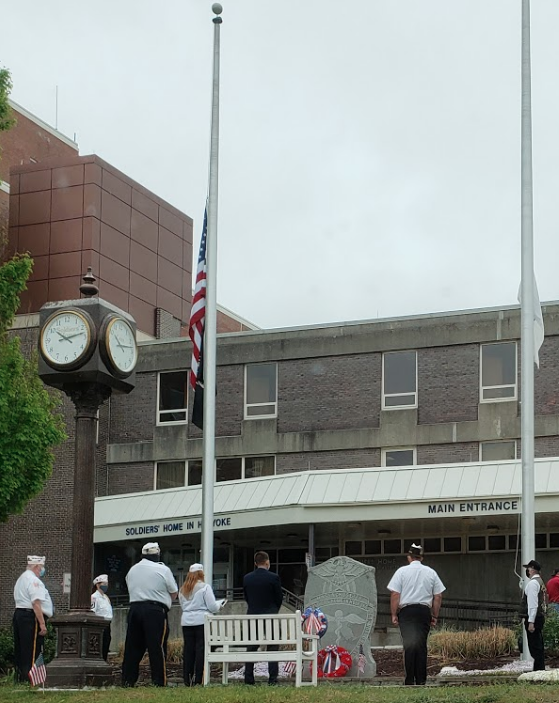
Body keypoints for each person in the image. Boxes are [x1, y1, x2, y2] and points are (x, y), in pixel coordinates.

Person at [387, 543, 445, 686]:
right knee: (421, 645)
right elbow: (438, 595)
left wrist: (394, 613)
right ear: (421, 557)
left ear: (409, 557)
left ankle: (409, 680)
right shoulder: (431, 572)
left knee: (409, 645)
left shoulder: (401, 572)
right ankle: (421, 680)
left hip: (407, 612)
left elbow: (395, 593)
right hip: (423, 611)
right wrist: (435, 615)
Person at [121, 542, 178, 687]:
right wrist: (164, 603)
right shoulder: (162, 569)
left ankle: (128, 680)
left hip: (134, 609)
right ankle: (159, 681)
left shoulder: (132, 570)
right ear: (157, 554)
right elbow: (174, 592)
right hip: (154, 610)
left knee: (132, 647)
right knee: (156, 647)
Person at [179, 563, 224, 686]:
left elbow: (183, 606)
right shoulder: (205, 587)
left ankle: (187, 679)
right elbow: (212, 607)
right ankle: (199, 679)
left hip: (186, 621)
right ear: (201, 574)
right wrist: (220, 604)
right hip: (201, 621)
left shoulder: (183, 589)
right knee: (201, 650)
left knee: (188, 650)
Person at [243, 550, 283, 686]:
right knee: (272, 646)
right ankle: (272, 678)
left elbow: (247, 597)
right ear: (267, 562)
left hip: (253, 615)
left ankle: (249, 678)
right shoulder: (274, 577)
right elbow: (279, 598)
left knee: (252, 646)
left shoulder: (247, 578)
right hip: (270, 616)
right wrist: (273, 610)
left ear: (255, 563)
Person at [13, 555, 54, 683]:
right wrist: (42, 624)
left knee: (22, 648)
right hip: (31, 617)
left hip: (19, 614)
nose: (42, 570)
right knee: (33, 648)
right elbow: (36, 603)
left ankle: (21, 677)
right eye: (41, 567)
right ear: (36, 566)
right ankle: (32, 679)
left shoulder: (21, 578)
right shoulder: (34, 580)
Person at [520, 559, 546, 671]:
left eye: (528, 568)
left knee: (535, 646)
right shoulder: (540, 582)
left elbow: (532, 604)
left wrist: (531, 621)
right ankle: (538, 668)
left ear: (532, 570)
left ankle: (539, 670)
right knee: (538, 644)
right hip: (540, 616)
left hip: (534, 618)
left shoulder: (532, 584)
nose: (527, 570)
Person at [91, 574, 113, 662]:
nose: (106, 586)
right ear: (97, 585)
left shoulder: (106, 597)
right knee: (101, 645)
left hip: (108, 624)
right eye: (103, 584)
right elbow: (93, 612)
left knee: (106, 644)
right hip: (100, 625)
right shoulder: (94, 597)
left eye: (106, 584)